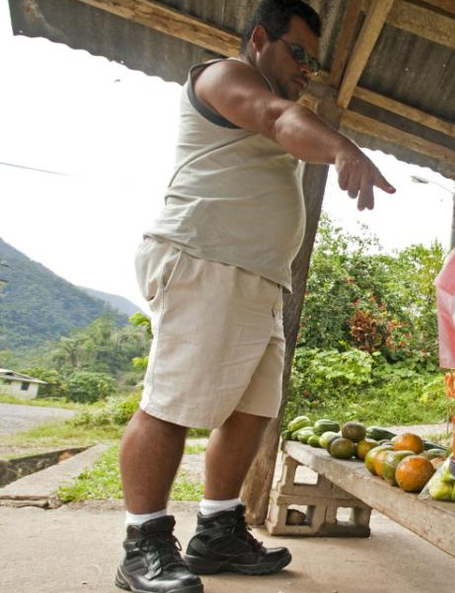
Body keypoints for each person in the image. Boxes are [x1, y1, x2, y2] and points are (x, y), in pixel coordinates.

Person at [116, 2, 394, 592]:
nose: (306, 70)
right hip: (205, 262)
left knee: (252, 409)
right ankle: (141, 543)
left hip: (256, 278)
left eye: (314, 63)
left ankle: (217, 530)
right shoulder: (223, 76)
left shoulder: (283, 101)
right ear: (260, 39)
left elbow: (286, 119)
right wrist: (342, 148)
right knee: (169, 406)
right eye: (298, 53)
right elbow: (277, 116)